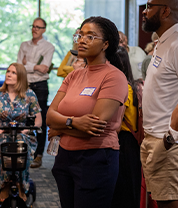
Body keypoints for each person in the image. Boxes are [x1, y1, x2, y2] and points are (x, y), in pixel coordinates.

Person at [47, 16, 128, 208]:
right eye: (80, 35)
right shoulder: (74, 75)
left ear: (105, 44)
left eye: (90, 36)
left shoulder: (114, 76)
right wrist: (72, 123)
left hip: (96, 157)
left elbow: (94, 126)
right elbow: (50, 115)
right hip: (64, 156)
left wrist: (61, 127)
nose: (82, 40)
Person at [0, 63, 42, 202]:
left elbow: (38, 121)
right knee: (2, 149)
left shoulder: (29, 95)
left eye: (13, 73)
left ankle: (21, 185)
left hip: (22, 133)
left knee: (22, 148)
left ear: (21, 76)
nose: (9, 74)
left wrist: (26, 130)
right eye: (8, 71)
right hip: (0, 134)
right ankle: (4, 186)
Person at [140, 1, 178, 207]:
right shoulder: (163, 41)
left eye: (149, 6)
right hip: (153, 137)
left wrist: (172, 136)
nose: (144, 11)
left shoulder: (176, 43)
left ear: (165, 10)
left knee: (170, 202)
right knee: (161, 201)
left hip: (167, 141)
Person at [17, 17, 55, 168]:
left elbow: (45, 68)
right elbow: (20, 66)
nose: (35, 29)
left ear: (44, 29)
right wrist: (35, 67)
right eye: (33, 26)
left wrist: (28, 64)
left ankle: (38, 155)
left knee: (39, 120)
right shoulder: (24, 45)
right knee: (24, 118)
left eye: (38, 27)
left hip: (40, 86)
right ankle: (25, 152)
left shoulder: (48, 46)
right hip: (25, 85)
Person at [111, 46, 141, 208]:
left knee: (124, 187)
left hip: (125, 141)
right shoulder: (131, 85)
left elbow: (114, 118)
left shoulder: (124, 87)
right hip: (128, 141)